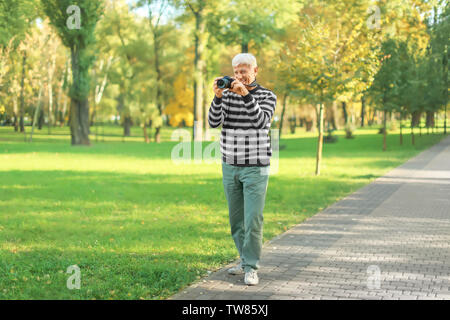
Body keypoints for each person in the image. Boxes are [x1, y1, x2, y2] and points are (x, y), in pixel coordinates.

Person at [208, 53, 277, 286]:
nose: (239, 76)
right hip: (230, 165)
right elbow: (213, 122)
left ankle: (251, 267)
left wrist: (246, 95)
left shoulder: (268, 96)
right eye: (236, 72)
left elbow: (262, 123)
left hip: (256, 167)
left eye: (244, 71)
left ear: (255, 71)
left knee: (253, 219)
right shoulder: (226, 95)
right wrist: (217, 97)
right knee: (236, 221)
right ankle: (244, 259)